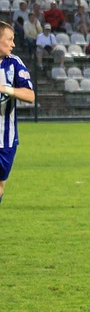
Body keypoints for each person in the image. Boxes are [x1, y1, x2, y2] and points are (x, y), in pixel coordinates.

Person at [0, 21, 36, 206]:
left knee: (0, 186)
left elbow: (30, 96)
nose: (13, 44)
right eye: (10, 40)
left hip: (6, 139)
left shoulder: (14, 63)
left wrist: (6, 89)